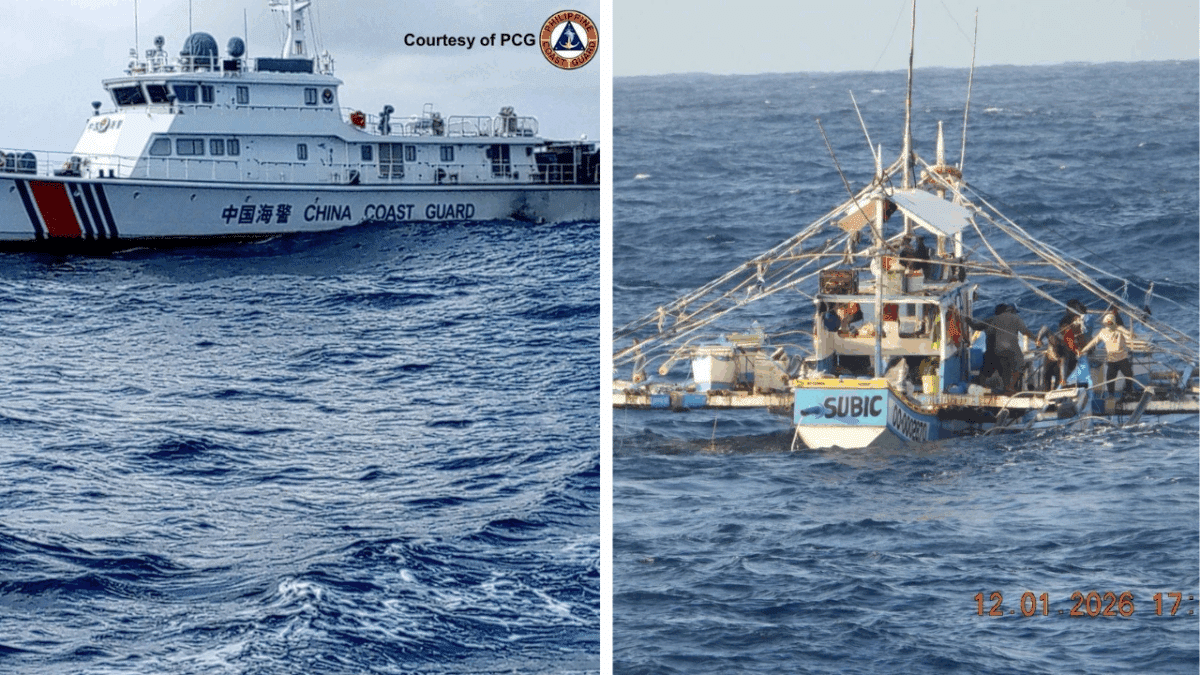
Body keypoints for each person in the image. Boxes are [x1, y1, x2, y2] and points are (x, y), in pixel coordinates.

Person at [968, 304, 1037, 394]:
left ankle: (981, 387)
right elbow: (1025, 332)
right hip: (1002, 355)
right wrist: (1036, 340)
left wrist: (967, 321)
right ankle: (1010, 389)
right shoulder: (1013, 320)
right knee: (1017, 366)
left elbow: (975, 326)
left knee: (985, 372)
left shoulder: (990, 320)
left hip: (990, 354)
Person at [1079, 311, 1137, 398]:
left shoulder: (1119, 329)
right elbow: (1093, 342)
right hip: (1111, 359)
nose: (1108, 325)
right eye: (1106, 323)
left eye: (1110, 323)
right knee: (1110, 378)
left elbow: (1129, 336)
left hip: (1122, 358)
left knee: (1129, 375)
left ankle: (1129, 393)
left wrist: (1131, 335)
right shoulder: (1103, 332)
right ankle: (1111, 395)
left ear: (1113, 322)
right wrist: (1083, 350)